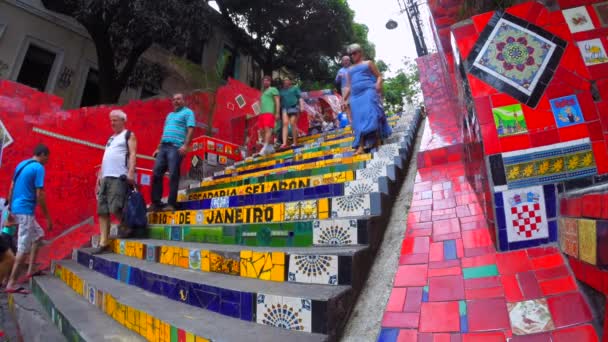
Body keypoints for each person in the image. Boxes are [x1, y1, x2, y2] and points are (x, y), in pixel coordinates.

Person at [5, 144, 52, 293]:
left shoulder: (21, 164)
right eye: (47, 157)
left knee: (38, 235)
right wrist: (47, 217)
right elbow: (40, 195)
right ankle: (11, 283)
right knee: (23, 248)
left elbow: (11, 187)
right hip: (25, 211)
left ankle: (30, 269)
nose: (47, 160)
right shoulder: (38, 168)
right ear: (43, 154)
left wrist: (10, 209)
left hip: (16, 208)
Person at [93, 110, 137, 254]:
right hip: (105, 177)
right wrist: (99, 177)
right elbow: (105, 157)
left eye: (115, 120)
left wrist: (131, 172)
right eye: (111, 120)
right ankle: (104, 242)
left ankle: (129, 225)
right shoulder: (111, 138)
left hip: (119, 176)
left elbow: (132, 154)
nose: (112, 123)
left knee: (115, 207)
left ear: (123, 121)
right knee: (102, 210)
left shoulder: (128, 135)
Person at [343, 44, 392, 155]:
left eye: (354, 53)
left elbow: (379, 76)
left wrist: (378, 83)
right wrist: (344, 99)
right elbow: (349, 86)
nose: (352, 56)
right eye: (351, 54)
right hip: (355, 97)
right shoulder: (349, 70)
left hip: (369, 91)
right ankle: (360, 147)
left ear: (360, 52)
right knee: (358, 120)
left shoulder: (368, 63)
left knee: (372, 115)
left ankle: (377, 141)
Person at [150, 93, 195, 212]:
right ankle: (156, 203)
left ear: (183, 100)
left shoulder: (188, 112)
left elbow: (191, 129)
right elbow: (165, 132)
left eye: (179, 99)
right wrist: (158, 148)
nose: (176, 101)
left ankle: (171, 203)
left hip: (176, 147)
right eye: (174, 99)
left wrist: (185, 145)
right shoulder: (169, 115)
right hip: (163, 147)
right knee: (156, 173)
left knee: (173, 174)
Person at [257, 76, 280, 156]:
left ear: (270, 82)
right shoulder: (263, 92)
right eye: (264, 81)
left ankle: (265, 147)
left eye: (267, 81)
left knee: (267, 129)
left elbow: (277, 101)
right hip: (262, 113)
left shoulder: (273, 89)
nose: (265, 82)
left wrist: (277, 112)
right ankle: (270, 147)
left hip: (269, 112)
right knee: (261, 130)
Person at [279, 78, 303, 148]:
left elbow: (300, 98)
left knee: (292, 123)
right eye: (284, 80)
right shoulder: (281, 91)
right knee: (285, 123)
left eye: (287, 80)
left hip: (294, 107)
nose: (286, 81)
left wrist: (302, 107)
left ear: (290, 82)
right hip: (285, 108)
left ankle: (295, 142)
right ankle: (284, 143)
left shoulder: (295, 88)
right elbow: (278, 100)